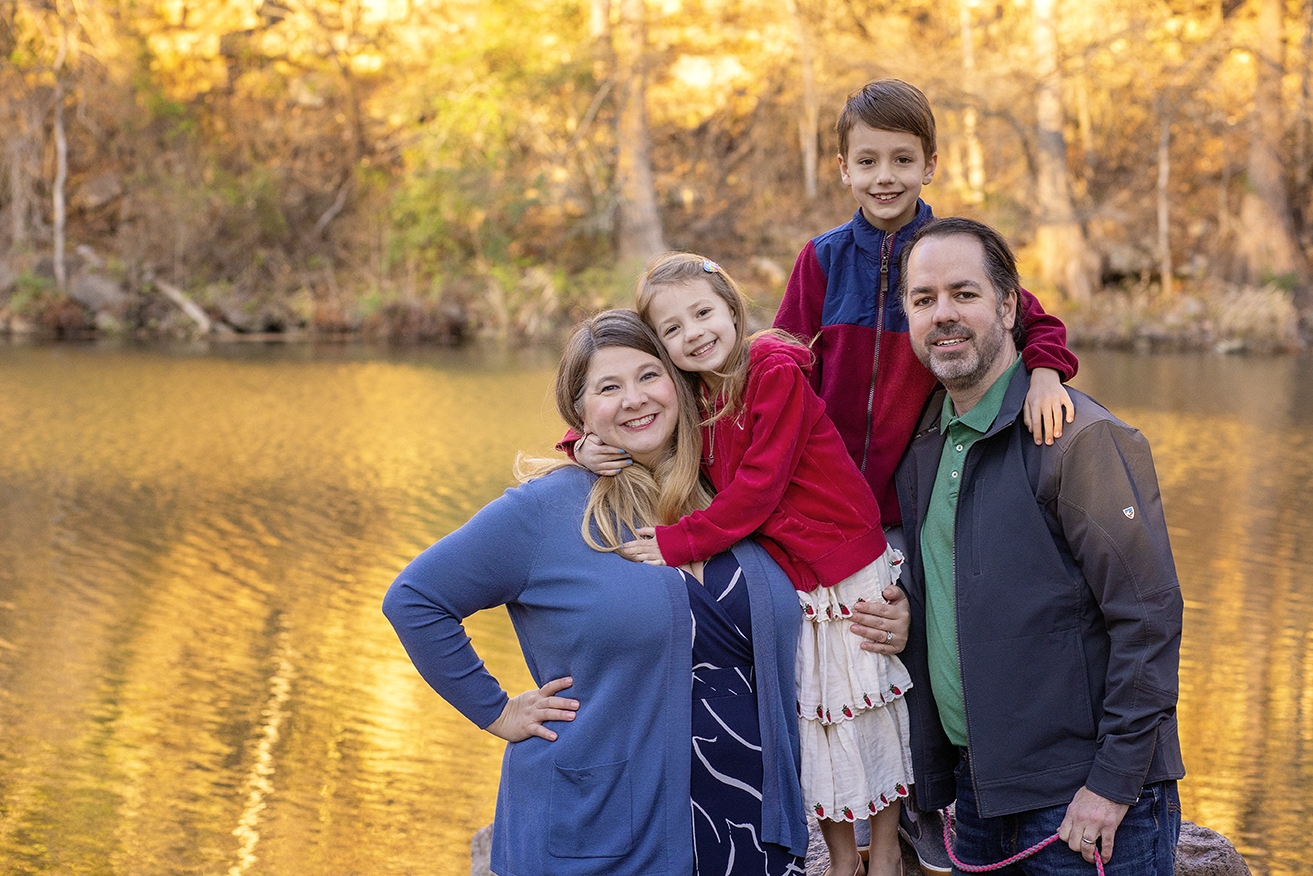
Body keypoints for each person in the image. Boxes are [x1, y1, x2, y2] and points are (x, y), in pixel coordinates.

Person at [384, 310, 910, 876]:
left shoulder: (733, 494)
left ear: (679, 384)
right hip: (604, 833)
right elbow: (416, 599)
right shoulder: (548, 509)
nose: (634, 399)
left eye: (648, 375)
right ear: (581, 413)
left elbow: (827, 572)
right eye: (608, 388)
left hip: (748, 833)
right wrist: (497, 711)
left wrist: (892, 609)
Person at [774, 78, 1082, 874]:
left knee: (912, 656)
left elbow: (1031, 316)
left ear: (929, 164)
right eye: (867, 159)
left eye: (901, 159)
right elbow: (776, 362)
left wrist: (1046, 375)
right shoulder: (820, 262)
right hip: (829, 509)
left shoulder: (942, 255)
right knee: (843, 666)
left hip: (915, 498)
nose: (884, 176)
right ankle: (859, 839)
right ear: (841, 167)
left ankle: (921, 828)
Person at [587, 254, 912, 876]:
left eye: (703, 313)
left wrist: (683, 542)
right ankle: (843, 859)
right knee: (815, 717)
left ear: (732, 309)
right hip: (793, 572)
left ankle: (889, 851)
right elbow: (639, 425)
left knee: (865, 703)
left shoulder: (772, 372)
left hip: (845, 558)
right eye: (674, 330)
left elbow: (761, 485)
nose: (694, 334)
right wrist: (585, 443)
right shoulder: (695, 395)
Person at [890, 217, 1185, 874]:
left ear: (1006, 305)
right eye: (923, 299)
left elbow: (1150, 617)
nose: (943, 314)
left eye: (963, 294)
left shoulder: (1078, 439)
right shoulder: (924, 443)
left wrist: (1110, 786)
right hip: (976, 796)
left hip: (1081, 804)